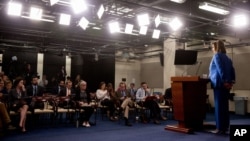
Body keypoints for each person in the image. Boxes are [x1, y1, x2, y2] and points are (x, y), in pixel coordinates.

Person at [209, 40, 235, 134]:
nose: (212, 49)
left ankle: (219, 128)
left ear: (216, 47)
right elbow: (232, 70)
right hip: (226, 84)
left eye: (212, 47)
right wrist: (231, 81)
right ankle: (225, 126)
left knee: (219, 107)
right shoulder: (228, 58)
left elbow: (220, 69)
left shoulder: (217, 55)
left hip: (219, 84)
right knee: (225, 106)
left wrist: (224, 81)